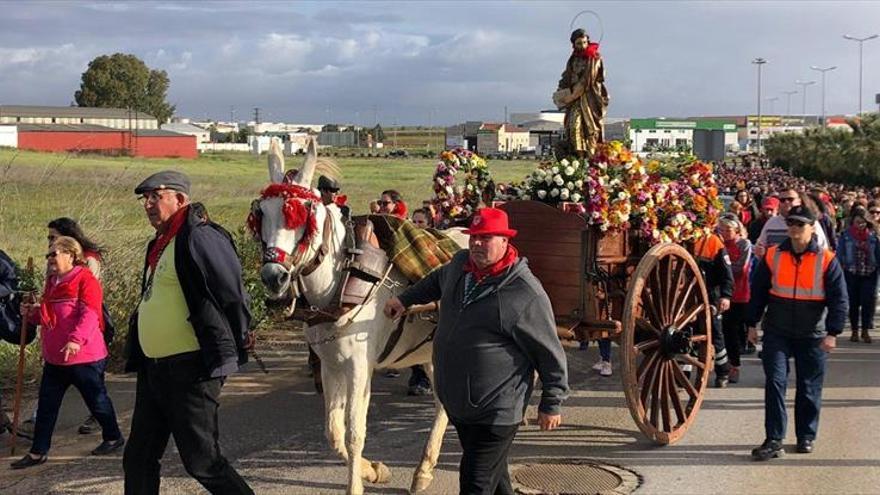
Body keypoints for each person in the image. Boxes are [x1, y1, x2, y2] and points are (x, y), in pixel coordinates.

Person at [384, 207, 568, 494]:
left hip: (496, 410)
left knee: (475, 484)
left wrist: (551, 402)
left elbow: (549, 353)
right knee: (496, 480)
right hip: (462, 403)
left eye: (486, 238)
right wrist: (404, 299)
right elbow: (436, 280)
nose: (477, 244)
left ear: (505, 241)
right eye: (474, 238)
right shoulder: (460, 265)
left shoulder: (525, 293)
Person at [122, 171, 254, 494]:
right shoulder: (160, 242)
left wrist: (239, 335)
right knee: (138, 458)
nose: (149, 204)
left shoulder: (199, 237)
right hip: (155, 370)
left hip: (191, 370)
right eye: (146, 199)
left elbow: (232, 293)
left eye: (157, 196)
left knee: (203, 462)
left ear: (180, 199)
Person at [10, 236, 124, 469]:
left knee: (97, 401)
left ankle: (113, 436)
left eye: (54, 254)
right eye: (48, 255)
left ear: (71, 255)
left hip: (84, 357)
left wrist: (75, 340)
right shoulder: (52, 282)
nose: (50, 259)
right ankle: (38, 451)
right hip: (55, 358)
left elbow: (90, 314)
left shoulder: (85, 280)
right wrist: (30, 313)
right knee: (47, 405)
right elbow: (48, 316)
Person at [747, 205, 847, 461]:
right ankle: (774, 439)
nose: (794, 228)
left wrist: (833, 332)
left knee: (808, 387)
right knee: (775, 382)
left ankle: (806, 436)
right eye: (791, 222)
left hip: (812, 333)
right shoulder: (772, 255)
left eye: (800, 224)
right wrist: (751, 324)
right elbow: (757, 292)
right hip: (777, 330)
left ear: (812, 228)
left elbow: (839, 300)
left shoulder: (827, 259)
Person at [46, 218, 106, 435]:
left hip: (85, 334)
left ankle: (104, 423)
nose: (50, 243)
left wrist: (76, 337)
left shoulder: (87, 263)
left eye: (53, 237)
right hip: (59, 339)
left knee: (92, 386)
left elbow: (90, 303)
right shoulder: (53, 263)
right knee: (51, 395)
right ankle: (39, 443)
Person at [555, 28, 609, 158]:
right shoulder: (573, 59)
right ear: (574, 44)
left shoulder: (594, 58)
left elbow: (587, 80)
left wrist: (571, 96)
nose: (582, 46)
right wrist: (560, 93)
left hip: (589, 99)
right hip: (574, 100)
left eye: (584, 42)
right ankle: (579, 158)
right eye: (579, 43)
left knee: (590, 129)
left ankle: (591, 159)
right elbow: (567, 76)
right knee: (574, 127)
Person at [692, 230, 735, 387]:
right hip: (690, 295)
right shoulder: (683, 239)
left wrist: (726, 296)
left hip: (711, 295)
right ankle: (683, 374)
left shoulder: (714, 242)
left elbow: (726, 273)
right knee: (688, 333)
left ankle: (723, 372)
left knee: (716, 334)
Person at [836, 208, 880, 343]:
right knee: (853, 303)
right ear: (852, 222)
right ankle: (854, 331)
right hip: (851, 272)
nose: (860, 225)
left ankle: (865, 330)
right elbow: (840, 253)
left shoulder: (874, 236)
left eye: (863, 223)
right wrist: (840, 268)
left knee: (868, 302)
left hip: (870, 272)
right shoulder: (846, 235)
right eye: (857, 222)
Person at [718, 215, 752, 384]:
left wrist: (724, 267)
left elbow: (741, 269)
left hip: (738, 294)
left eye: (728, 230)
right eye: (721, 230)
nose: (724, 233)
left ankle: (734, 365)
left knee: (732, 331)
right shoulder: (719, 244)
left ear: (737, 230)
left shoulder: (744, 244)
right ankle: (722, 364)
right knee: (722, 330)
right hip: (721, 293)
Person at [407, 208, 434, 396]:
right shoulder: (407, 246)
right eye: (413, 222)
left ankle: (424, 378)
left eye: (420, 222)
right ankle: (417, 374)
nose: (416, 226)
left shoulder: (434, 243)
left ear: (429, 225)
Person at [756, 189, 829, 256]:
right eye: (782, 200)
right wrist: (761, 251)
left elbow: (823, 247)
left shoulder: (810, 222)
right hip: (776, 267)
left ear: (799, 201)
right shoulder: (771, 223)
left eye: (790, 199)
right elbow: (760, 245)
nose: (786, 202)